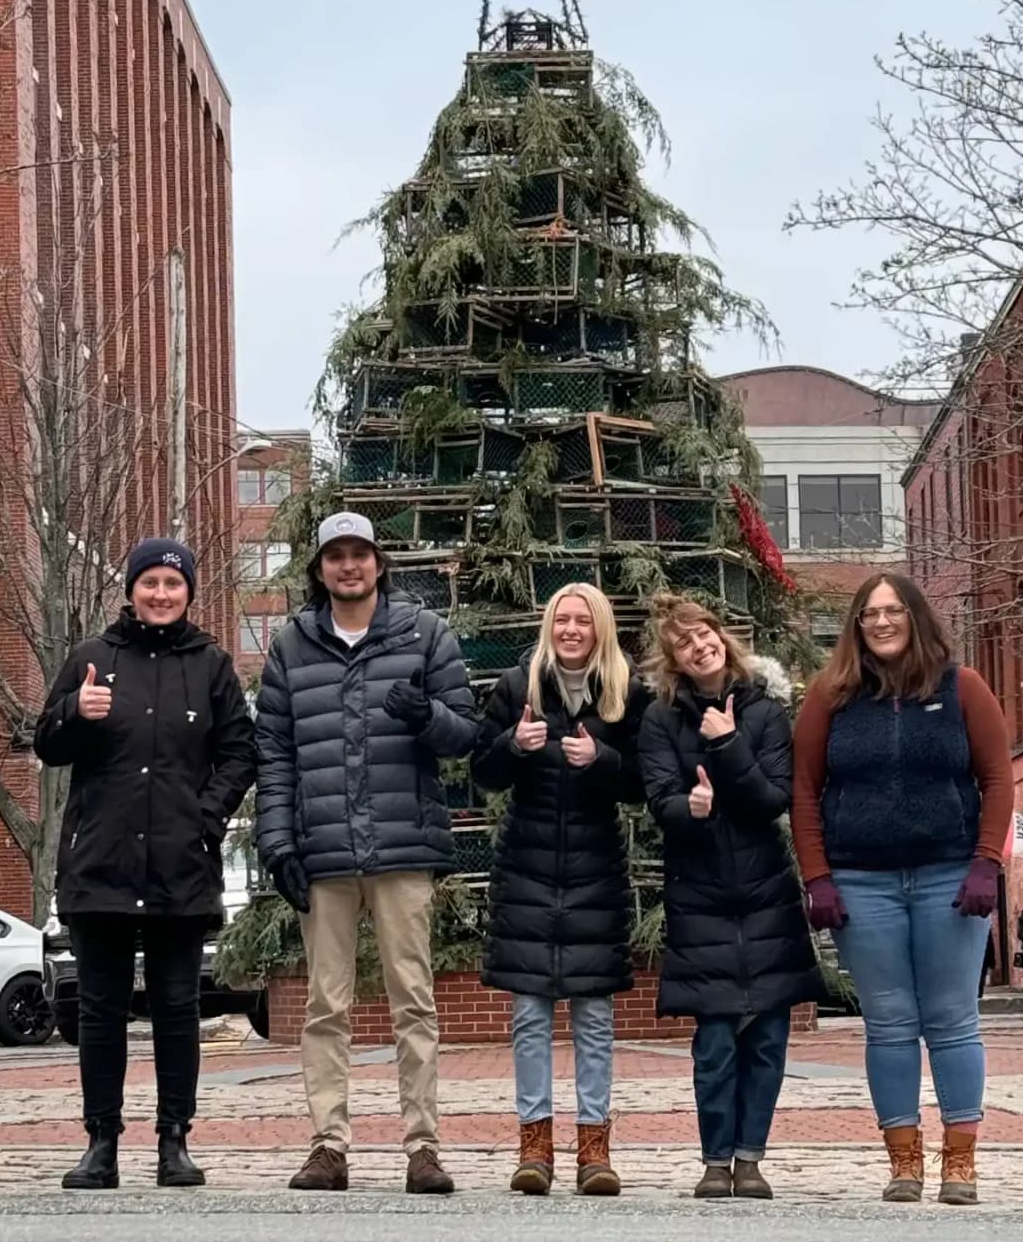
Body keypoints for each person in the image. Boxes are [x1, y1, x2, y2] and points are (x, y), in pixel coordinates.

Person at [253, 511, 482, 1195]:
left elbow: (464, 734)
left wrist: (428, 717)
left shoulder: (425, 635)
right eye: (335, 556)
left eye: (360, 554)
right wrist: (276, 841)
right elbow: (274, 752)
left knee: (414, 1001)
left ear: (379, 563)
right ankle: (328, 1144)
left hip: (402, 846)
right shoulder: (291, 646)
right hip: (322, 853)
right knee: (327, 1007)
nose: (348, 566)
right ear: (319, 569)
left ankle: (423, 1147)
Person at [33, 539, 258, 1190]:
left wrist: (204, 816)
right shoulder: (91, 659)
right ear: (130, 589)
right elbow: (47, 744)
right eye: (149, 582)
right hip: (99, 864)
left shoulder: (212, 666)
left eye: (173, 583)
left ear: (189, 593)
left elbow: (241, 754)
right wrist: (77, 712)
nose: (161, 593)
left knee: (176, 1007)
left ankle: (174, 1140)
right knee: (99, 1010)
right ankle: (100, 1143)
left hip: (179, 866)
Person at [791, 572, 1011, 1207]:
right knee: (888, 1024)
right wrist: (818, 877)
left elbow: (997, 780)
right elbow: (804, 792)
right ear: (856, 627)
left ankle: (961, 1164)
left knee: (951, 1020)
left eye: (892, 612)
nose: (881, 623)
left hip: (950, 878)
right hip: (861, 883)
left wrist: (985, 864)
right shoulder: (829, 697)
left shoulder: (961, 688)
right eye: (869, 615)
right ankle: (904, 1162)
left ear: (915, 618)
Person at [635, 593, 825, 1202]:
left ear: (723, 637)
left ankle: (751, 1159)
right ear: (675, 661)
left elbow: (772, 799)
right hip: (701, 895)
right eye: (685, 643)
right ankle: (716, 1160)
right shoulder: (660, 720)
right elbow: (659, 800)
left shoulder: (765, 711)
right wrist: (688, 810)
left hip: (765, 890)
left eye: (706, 634)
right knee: (715, 1040)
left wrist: (725, 744)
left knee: (768, 1037)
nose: (700, 646)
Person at [470, 582, 653, 1198]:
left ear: (600, 629)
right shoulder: (518, 685)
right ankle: (534, 1144)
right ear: (548, 627)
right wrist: (511, 748)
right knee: (528, 1015)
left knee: (595, 1016)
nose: (571, 630)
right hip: (526, 866)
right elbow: (482, 773)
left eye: (583, 621)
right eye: (561, 620)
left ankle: (595, 1146)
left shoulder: (626, 691)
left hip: (595, 868)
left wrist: (601, 760)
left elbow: (644, 783)